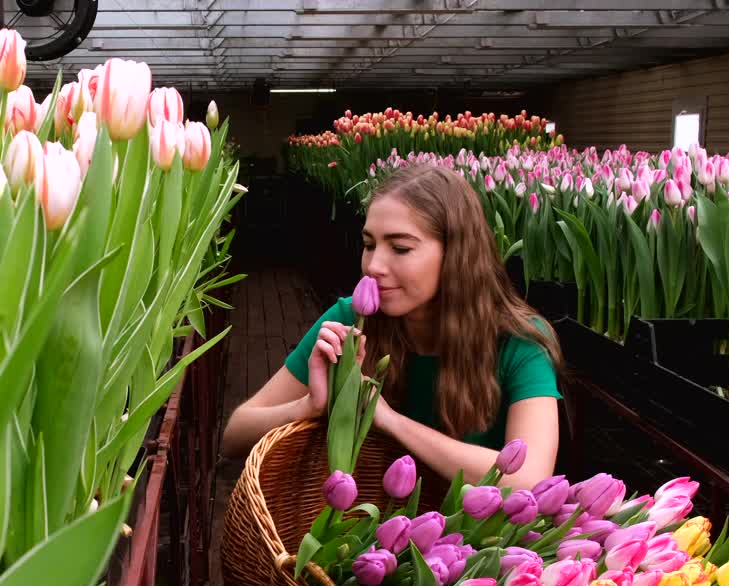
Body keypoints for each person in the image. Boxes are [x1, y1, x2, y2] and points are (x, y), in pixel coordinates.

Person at [221, 164, 563, 490]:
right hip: (370, 537)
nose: (374, 265)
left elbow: (529, 479)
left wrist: (390, 421)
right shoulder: (350, 322)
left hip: (482, 542)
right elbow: (234, 434)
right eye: (369, 244)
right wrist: (310, 406)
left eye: (400, 248)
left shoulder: (518, 341)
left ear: (456, 255)